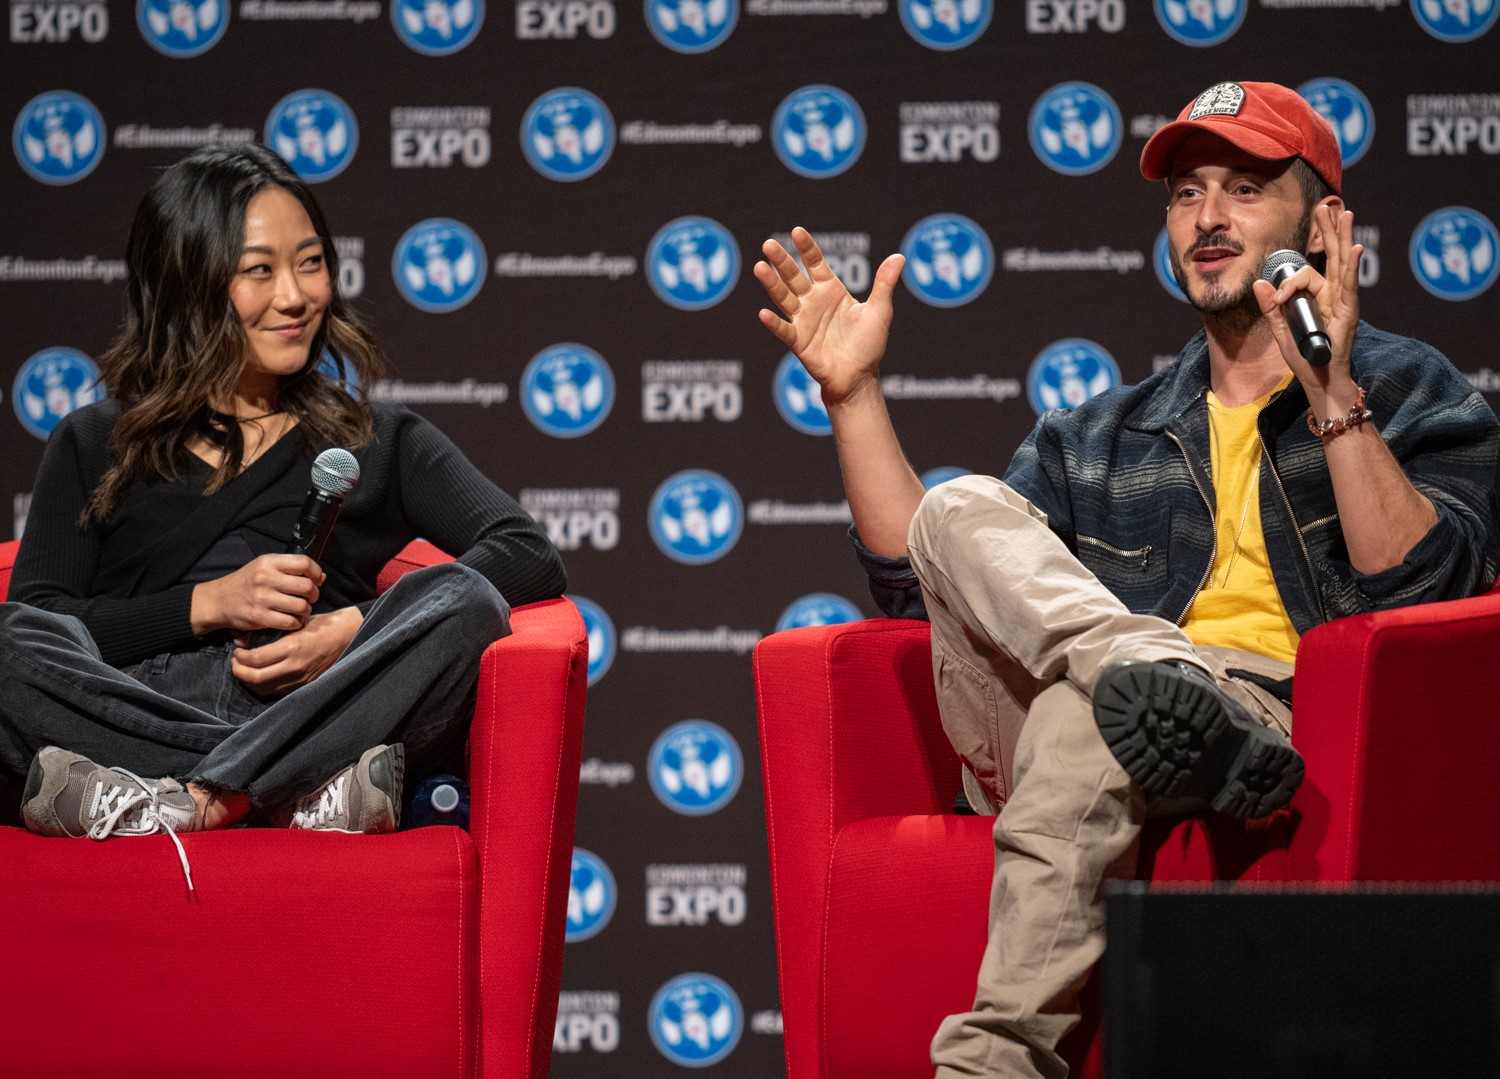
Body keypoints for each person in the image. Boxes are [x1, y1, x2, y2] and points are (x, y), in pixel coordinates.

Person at [754, 81, 1500, 1078]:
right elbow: (921, 588)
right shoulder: (1096, 434)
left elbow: (1428, 598)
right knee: (957, 511)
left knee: (1088, 715)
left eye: (1244, 189)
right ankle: (1144, 671)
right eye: (1187, 193)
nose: (1208, 217)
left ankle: (991, 1063)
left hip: (1267, 723)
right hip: (1098, 702)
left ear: (1323, 223)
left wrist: (1332, 392)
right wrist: (852, 395)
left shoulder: (1408, 390)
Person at [0, 144, 566, 885]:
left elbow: (524, 550)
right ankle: (288, 793)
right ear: (187, 282)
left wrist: (350, 629)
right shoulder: (94, 441)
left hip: (323, 700)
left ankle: (192, 801)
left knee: (463, 600)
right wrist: (207, 605)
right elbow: (43, 619)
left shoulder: (376, 437)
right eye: (259, 270)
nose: (296, 296)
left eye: (311, 263)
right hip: (143, 709)